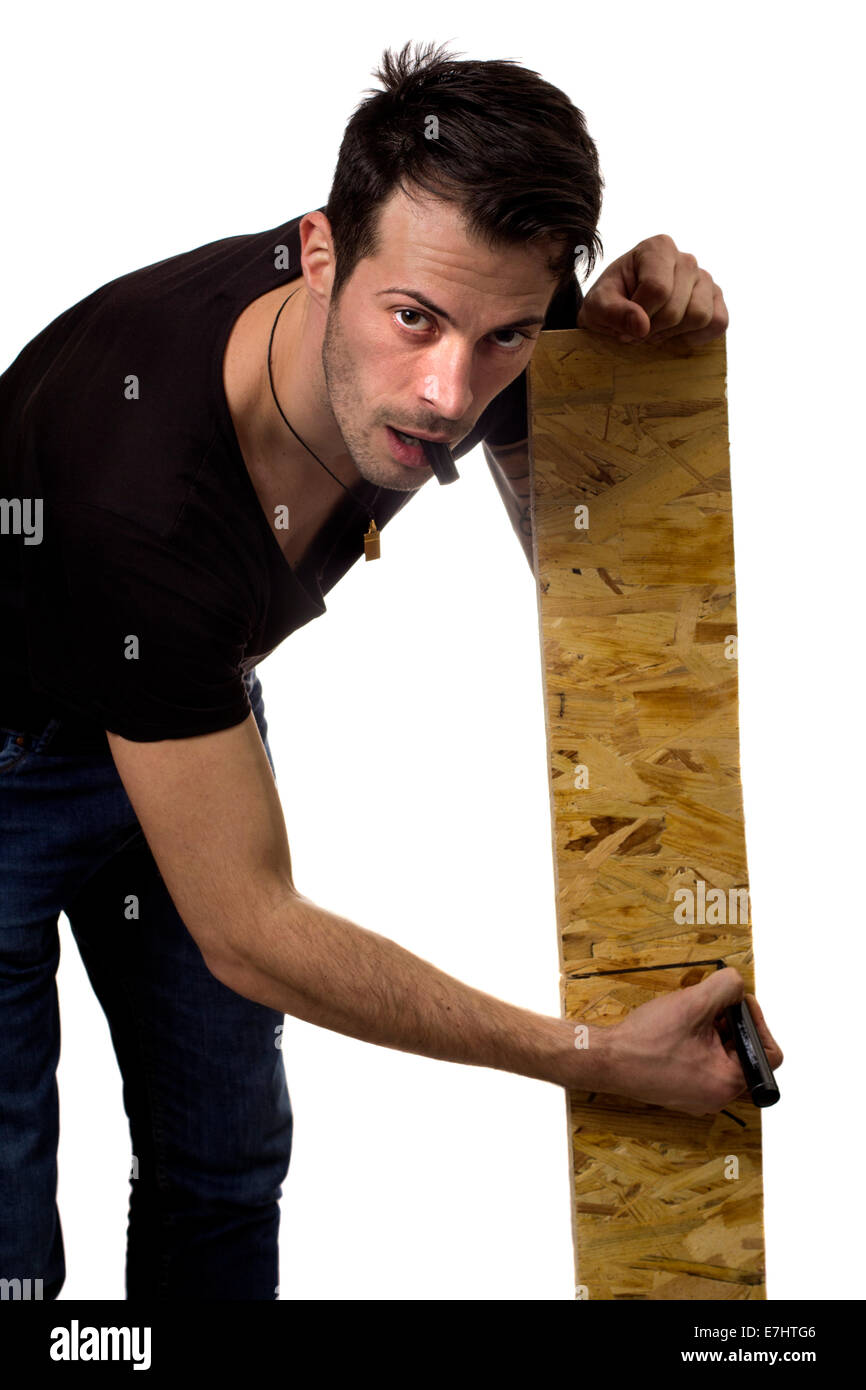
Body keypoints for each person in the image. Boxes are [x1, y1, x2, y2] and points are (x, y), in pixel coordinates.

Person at [0, 39, 782, 1301]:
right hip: (24, 741)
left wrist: (619, 367)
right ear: (320, 255)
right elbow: (251, 935)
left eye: (506, 337)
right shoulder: (135, 499)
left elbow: (603, 607)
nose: (446, 394)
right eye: (411, 320)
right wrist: (592, 1054)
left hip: (175, 699)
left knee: (225, 1160)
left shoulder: (473, 314)